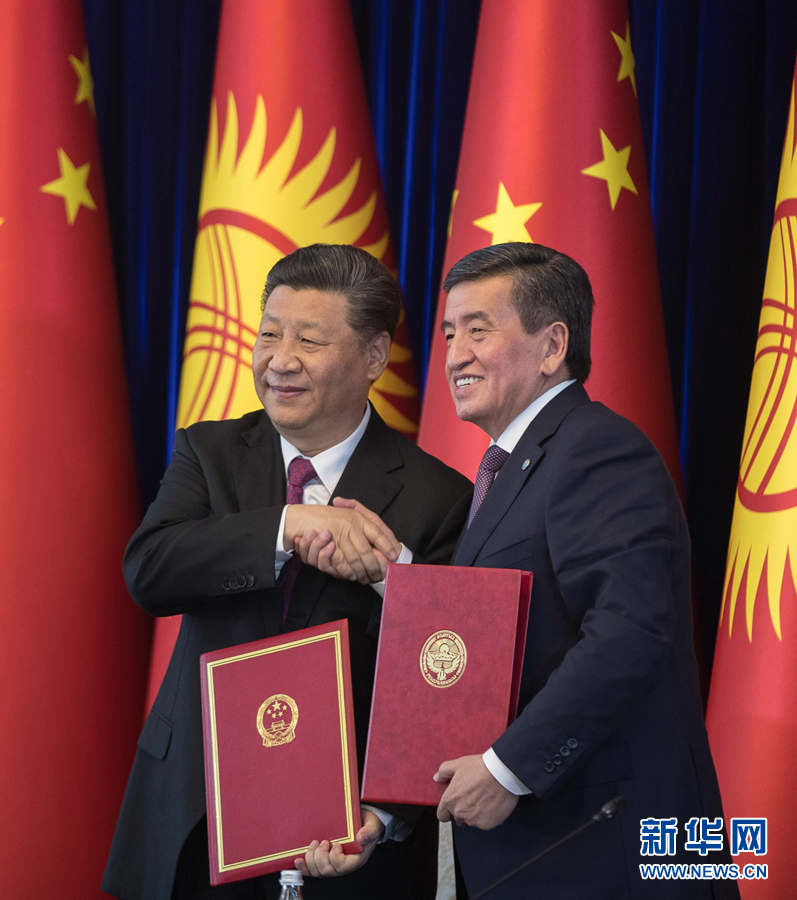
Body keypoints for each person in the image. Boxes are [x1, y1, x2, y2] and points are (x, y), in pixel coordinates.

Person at [101, 244, 473, 900]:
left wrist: (384, 816)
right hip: (196, 810)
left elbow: (447, 675)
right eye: (269, 334)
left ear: (374, 356)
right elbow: (150, 570)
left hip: (344, 833)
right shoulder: (209, 451)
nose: (280, 360)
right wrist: (285, 528)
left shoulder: (438, 496)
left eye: (309, 340)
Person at [427, 242, 740, 899]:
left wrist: (508, 768)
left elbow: (629, 630)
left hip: (611, 848)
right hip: (543, 851)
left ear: (552, 346)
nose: (455, 355)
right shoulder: (510, 468)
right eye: (449, 333)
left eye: (478, 330)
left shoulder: (597, 448)